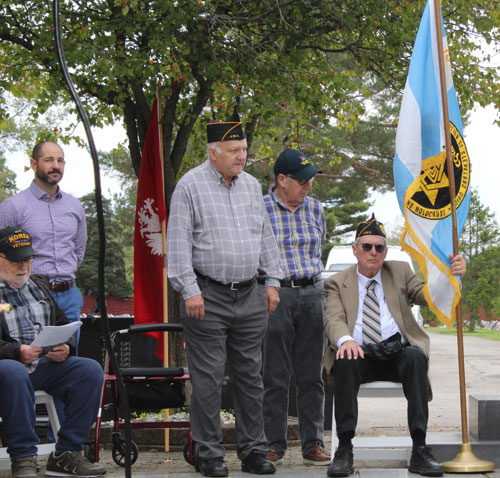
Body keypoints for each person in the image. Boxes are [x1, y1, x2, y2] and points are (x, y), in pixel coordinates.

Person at [166, 113, 283, 477]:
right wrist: (189, 290)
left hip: (249, 295)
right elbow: (178, 245)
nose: (241, 156)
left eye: (244, 149)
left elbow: (264, 236)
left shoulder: (251, 186)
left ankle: (252, 452)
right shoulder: (189, 186)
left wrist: (273, 280)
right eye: (233, 150)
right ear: (212, 152)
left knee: (251, 378)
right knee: (208, 380)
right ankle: (209, 455)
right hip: (207, 296)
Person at [323, 214, 466, 478]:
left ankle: (420, 450)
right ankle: (344, 450)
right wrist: (346, 340)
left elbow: (426, 296)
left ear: (385, 251)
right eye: (367, 247)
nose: (373, 253)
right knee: (344, 357)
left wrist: (449, 275)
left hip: (396, 356)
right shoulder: (337, 281)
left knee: (415, 356)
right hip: (360, 355)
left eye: (379, 247)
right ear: (355, 250)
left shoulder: (399, 271)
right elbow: (333, 318)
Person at [0, 227, 105, 478]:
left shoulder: (37, 285)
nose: (24, 266)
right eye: (16, 261)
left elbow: (61, 322)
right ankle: (23, 457)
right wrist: (16, 351)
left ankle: (67, 453)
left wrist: (65, 346)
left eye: (28, 259)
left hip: (41, 364)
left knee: (88, 370)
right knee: (13, 370)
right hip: (7, 369)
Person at [261, 149, 330, 466]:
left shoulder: (316, 209)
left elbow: (319, 250)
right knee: (274, 375)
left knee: (312, 375)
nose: (308, 186)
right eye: (302, 181)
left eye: (310, 180)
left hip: (313, 293)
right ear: (281, 180)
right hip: (276, 295)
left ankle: (313, 443)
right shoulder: (259, 209)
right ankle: (273, 444)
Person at [0, 141, 87, 347]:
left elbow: (79, 249)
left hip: (69, 295)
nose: (55, 166)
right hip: (27, 295)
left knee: (67, 357)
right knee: (30, 359)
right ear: (34, 163)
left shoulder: (74, 206)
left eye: (60, 160)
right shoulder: (13, 207)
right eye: (48, 160)